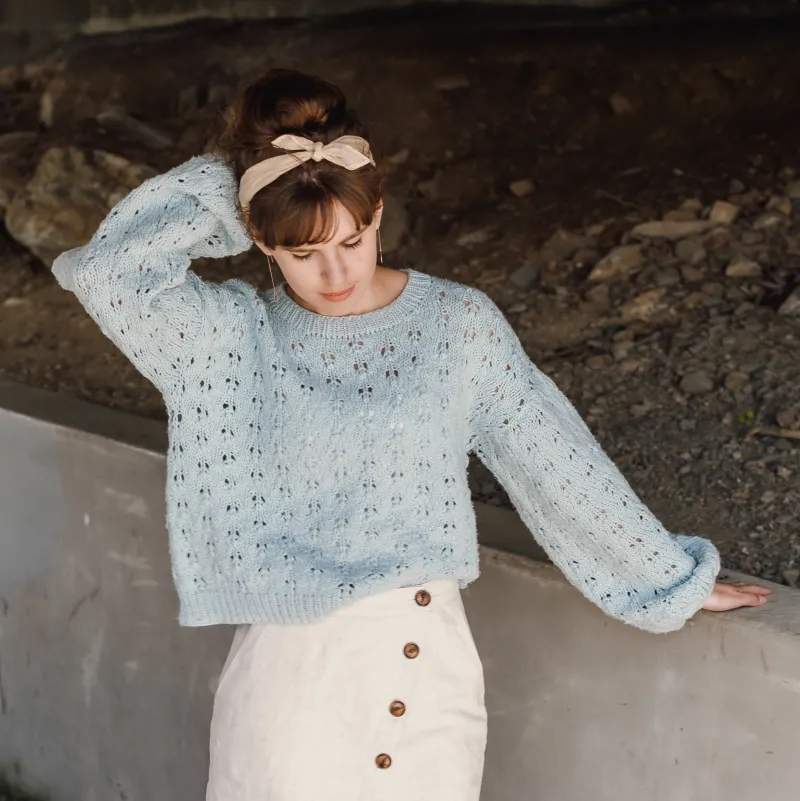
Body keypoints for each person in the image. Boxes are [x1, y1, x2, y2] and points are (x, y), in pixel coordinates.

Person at [51, 67, 771, 800]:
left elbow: (552, 458)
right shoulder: (227, 343)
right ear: (263, 244)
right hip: (292, 692)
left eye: (354, 237)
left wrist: (669, 579)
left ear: (381, 212)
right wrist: (244, 179)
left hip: (427, 676)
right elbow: (110, 271)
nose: (334, 271)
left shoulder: (456, 325)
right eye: (302, 252)